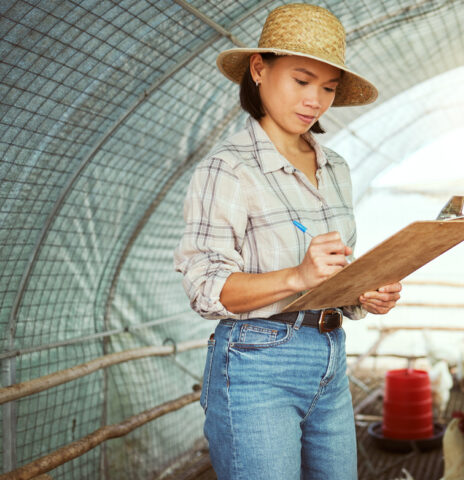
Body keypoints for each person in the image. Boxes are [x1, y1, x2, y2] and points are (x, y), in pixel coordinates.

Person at [173, 4, 401, 479]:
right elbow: (205, 287)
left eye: (328, 88)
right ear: (259, 69)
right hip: (257, 365)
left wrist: (364, 291)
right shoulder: (228, 168)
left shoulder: (335, 166)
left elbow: (334, 268)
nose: (315, 99)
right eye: (301, 81)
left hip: (330, 356)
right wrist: (297, 275)